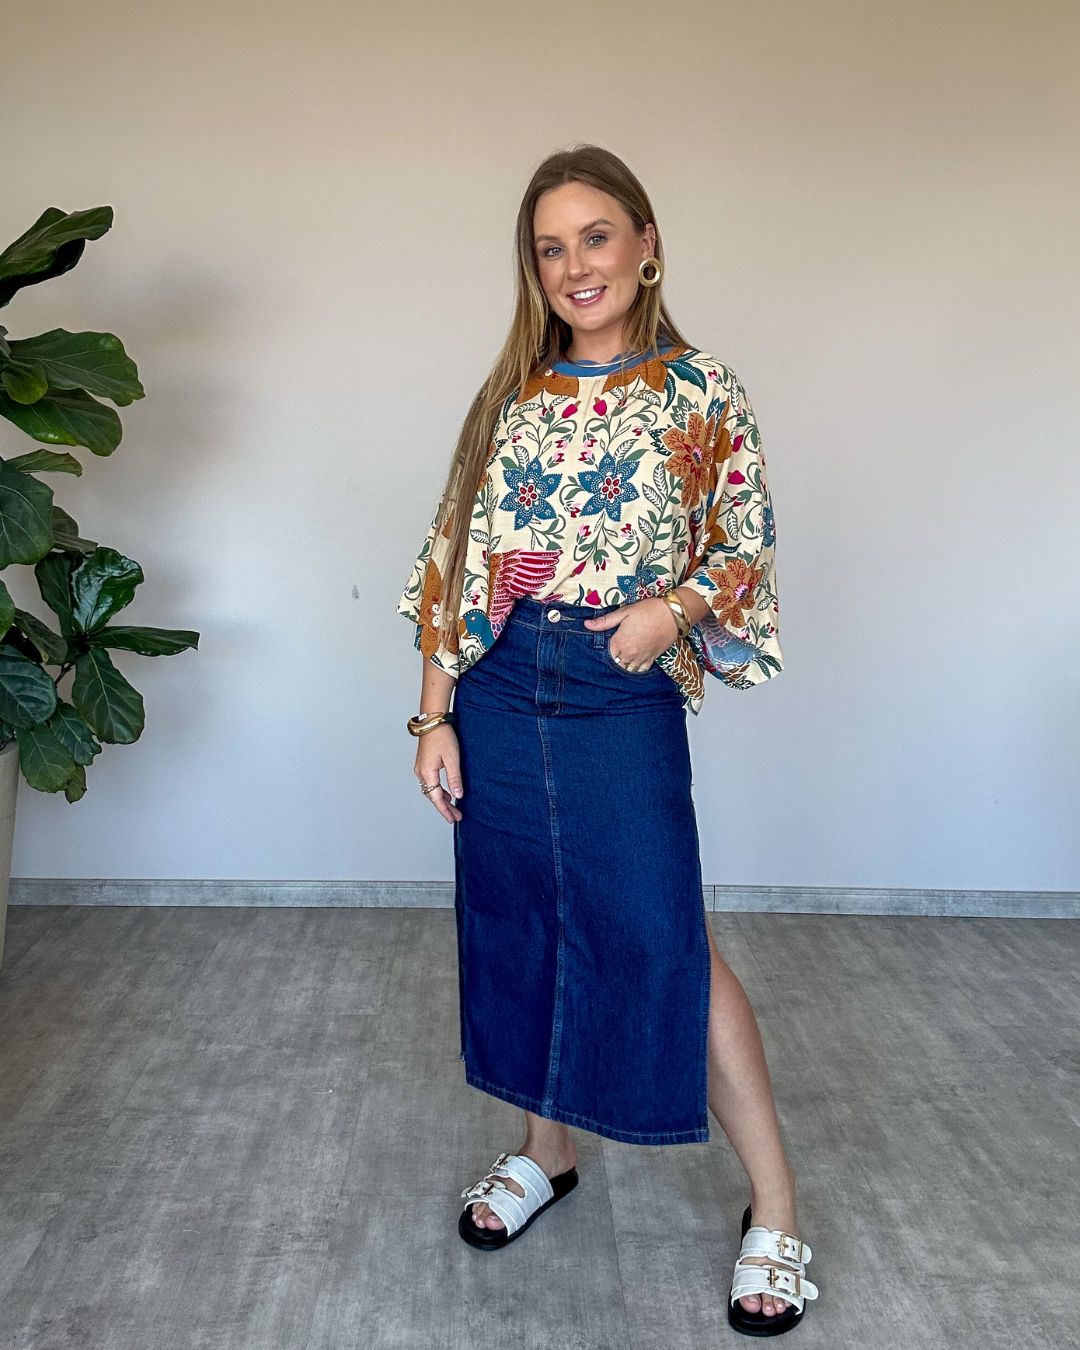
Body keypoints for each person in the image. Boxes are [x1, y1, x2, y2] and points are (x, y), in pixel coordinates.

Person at [396, 144, 819, 1337]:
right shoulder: (512, 397)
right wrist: (433, 713)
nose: (575, 265)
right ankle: (548, 1152)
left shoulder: (701, 391)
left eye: (595, 237)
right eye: (550, 248)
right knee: (521, 919)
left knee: (662, 937)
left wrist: (670, 613)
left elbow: (743, 545)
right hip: (496, 685)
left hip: (613, 686)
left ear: (645, 244)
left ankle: (777, 1207)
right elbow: (456, 561)